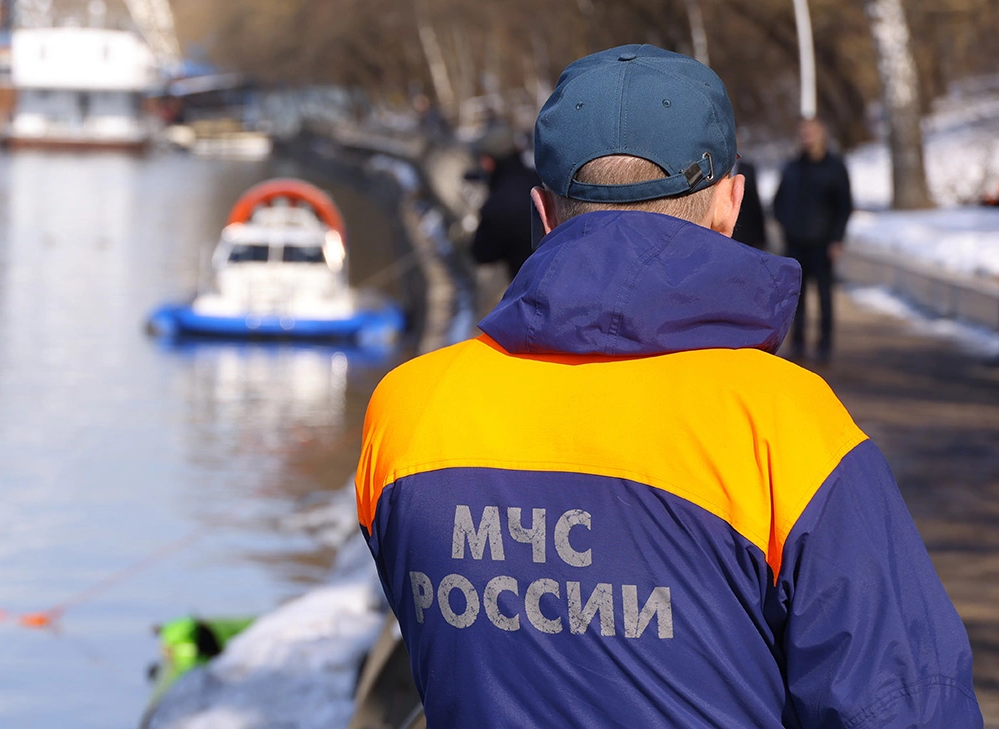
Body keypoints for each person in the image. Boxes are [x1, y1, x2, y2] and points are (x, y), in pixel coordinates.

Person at [355, 45, 981, 729]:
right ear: (731, 202)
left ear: (540, 212)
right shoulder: (785, 427)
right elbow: (907, 705)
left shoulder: (408, 414)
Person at [773, 118, 853, 362]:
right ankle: (797, 346)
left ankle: (825, 346)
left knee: (825, 297)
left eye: (812, 132)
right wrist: (787, 226)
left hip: (823, 244)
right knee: (797, 298)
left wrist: (837, 239)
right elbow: (778, 202)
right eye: (803, 133)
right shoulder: (792, 167)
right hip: (796, 242)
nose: (807, 137)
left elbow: (845, 207)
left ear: (822, 134)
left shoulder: (835, 167)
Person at [469, 124, 542, 279]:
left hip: (531, 293)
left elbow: (482, 253)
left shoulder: (496, 206)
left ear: (488, 162)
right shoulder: (542, 181)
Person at [731, 158, 767, 249]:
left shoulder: (747, 169)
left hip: (745, 232)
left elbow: (755, 203)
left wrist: (761, 236)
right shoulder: (716, 168)